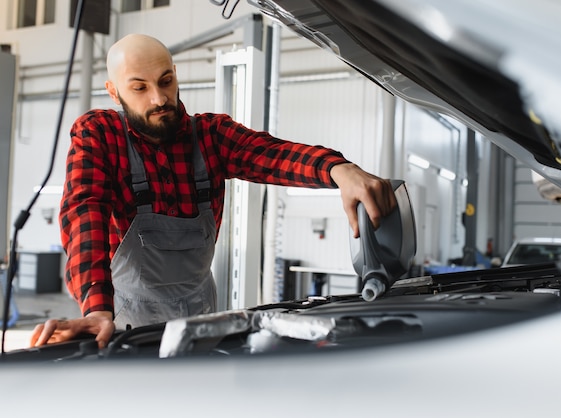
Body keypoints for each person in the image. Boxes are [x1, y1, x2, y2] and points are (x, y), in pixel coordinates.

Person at [30, 34, 396, 349]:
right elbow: (84, 209)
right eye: (139, 87)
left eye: (166, 80)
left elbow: (270, 154)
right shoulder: (100, 133)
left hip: (201, 312)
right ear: (114, 92)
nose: (159, 99)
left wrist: (338, 169)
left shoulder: (210, 136)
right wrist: (96, 308)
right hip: (123, 317)